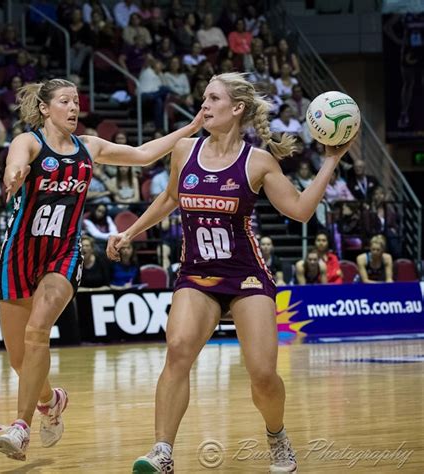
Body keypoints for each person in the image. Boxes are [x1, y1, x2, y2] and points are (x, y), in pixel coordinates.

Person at [107, 72, 353, 473]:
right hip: (196, 273)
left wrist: (330, 160)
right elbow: (170, 198)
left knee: (263, 374)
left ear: (236, 108)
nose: (203, 105)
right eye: (203, 97)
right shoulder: (184, 150)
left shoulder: (257, 162)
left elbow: (301, 210)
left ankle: (277, 436)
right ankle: (162, 452)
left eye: (213, 98)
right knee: (178, 350)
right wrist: (131, 232)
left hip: (246, 277)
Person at [0, 77, 202, 461]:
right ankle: (51, 400)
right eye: (64, 101)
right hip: (19, 253)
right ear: (45, 108)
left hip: (63, 253)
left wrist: (189, 128)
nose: (74, 108)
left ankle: (20, 427)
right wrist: (14, 174)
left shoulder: (88, 147)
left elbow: (142, 154)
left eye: (76, 101)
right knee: (20, 359)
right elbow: (15, 161)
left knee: (39, 331)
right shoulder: (30, 141)